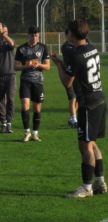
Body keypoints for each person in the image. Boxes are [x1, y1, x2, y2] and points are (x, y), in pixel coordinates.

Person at [51, 19, 107, 198]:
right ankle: (100, 182)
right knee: (92, 143)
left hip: (87, 103)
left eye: (68, 32)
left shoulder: (76, 55)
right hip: (99, 98)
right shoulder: (92, 48)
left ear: (72, 35)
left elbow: (67, 82)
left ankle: (87, 187)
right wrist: (64, 64)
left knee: (84, 146)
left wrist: (59, 65)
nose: (66, 35)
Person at [14, 26, 50, 142]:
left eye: (36, 35)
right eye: (31, 35)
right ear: (28, 35)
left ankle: (35, 133)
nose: (34, 38)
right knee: (25, 106)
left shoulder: (43, 48)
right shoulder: (21, 49)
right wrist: (27, 66)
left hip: (38, 81)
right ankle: (26, 132)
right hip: (25, 80)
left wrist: (38, 65)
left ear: (38, 35)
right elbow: (15, 66)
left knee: (37, 108)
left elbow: (48, 66)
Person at [0, 22, 16, 133]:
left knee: (10, 99)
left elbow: (12, 45)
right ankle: (3, 123)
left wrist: (3, 34)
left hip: (10, 75)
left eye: (5, 31)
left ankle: (9, 122)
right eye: (1, 31)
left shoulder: (9, 43)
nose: (2, 33)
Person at [61, 29, 78, 128]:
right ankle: (73, 119)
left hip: (78, 75)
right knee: (72, 97)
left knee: (78, 98)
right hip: (69, 74)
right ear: (67, 35)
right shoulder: (66, 46)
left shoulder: (75, 45)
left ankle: (73, 117)